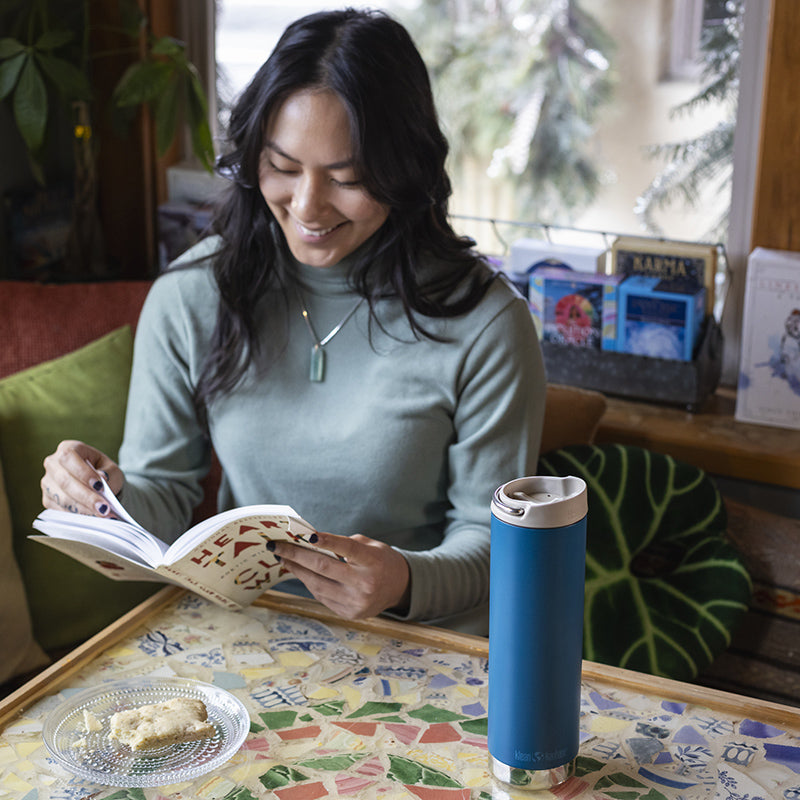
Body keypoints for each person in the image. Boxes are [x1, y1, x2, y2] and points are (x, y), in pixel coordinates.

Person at [40, 8, 545, 635]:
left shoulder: (486, 322)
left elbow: (496, 543)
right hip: (249, 637)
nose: (307, 207)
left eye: (348, 178)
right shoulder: (194, 293)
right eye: (281, 167)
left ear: (403, 169)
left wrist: (402, 580)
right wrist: (102, 498)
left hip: (425, 650)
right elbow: (163, 498)